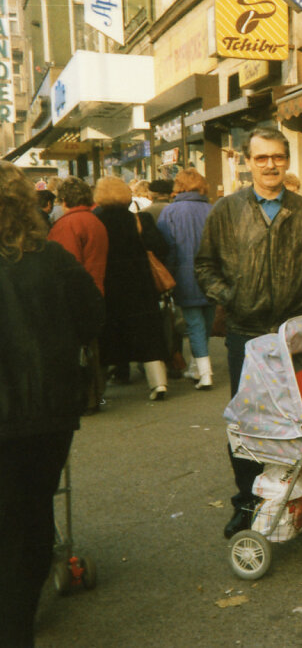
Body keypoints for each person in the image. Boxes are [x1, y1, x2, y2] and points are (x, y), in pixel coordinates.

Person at [195, 127, 302, 539]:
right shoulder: (226, 211)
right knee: (247, 423)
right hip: (247, 333)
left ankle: (292, 495)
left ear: (287, 159)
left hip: (296, 336)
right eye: (261, 158)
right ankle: (248, 500)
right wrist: (233, 296)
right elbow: (204, 266)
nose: (270, 165)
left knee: (299, 419)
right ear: (247, 162)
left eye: (277, 157)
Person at [0, 162, 104, 646]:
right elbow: (92, 318)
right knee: (33, 511)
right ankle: (18, 621)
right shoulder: (53, 259)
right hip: (47, 410)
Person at [93, 176, 171, 400]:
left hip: (110, 285)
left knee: (109, 336)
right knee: (147, 334)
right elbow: (160, 247)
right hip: (139, 285)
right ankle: (159, 384)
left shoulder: (96, 220)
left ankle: (100, 390)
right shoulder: (139, 219)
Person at [48, 176, 110, 414]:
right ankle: (95, 395)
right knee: (91, 348)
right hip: (96, 288)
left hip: (75, 295)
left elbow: (66, 266)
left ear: (63, 200)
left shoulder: (67, 224)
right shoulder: (94, 221)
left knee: (77, 350)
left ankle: (86, 398)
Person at [158, 169, 215, 390]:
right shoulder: (213, 209)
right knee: (206, 323)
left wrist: (169, 275)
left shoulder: (170, 212)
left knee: (194, 324)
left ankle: (205, 373)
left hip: (184, 275)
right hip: (212, 275)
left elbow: (168, 248)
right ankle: (197, 367)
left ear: (179, 186)